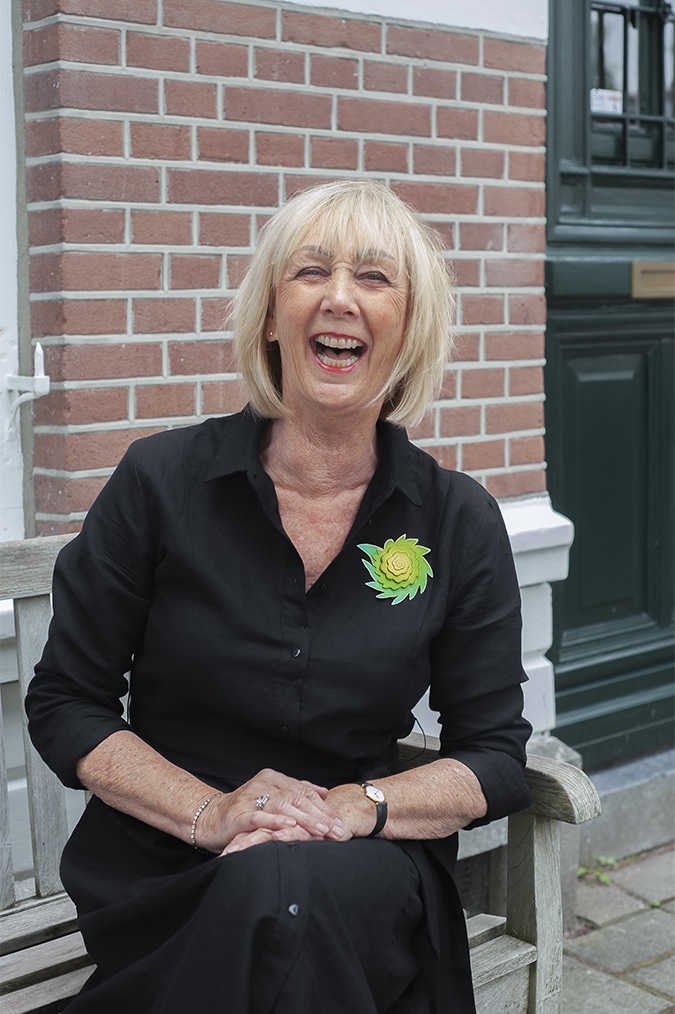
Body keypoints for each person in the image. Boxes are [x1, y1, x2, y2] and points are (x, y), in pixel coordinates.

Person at [26, 179, 533, 1013]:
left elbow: (492, 760)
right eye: (309, 272)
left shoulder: (456, 520)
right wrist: (211, 813)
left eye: (374, 278)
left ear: (408, 327)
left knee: (287, 893)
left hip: (359, 858)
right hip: (168, 860)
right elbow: (67, 702)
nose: (339, 297)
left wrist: (358, 807)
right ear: (270, 315)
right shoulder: (161, 483)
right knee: (277, 913)